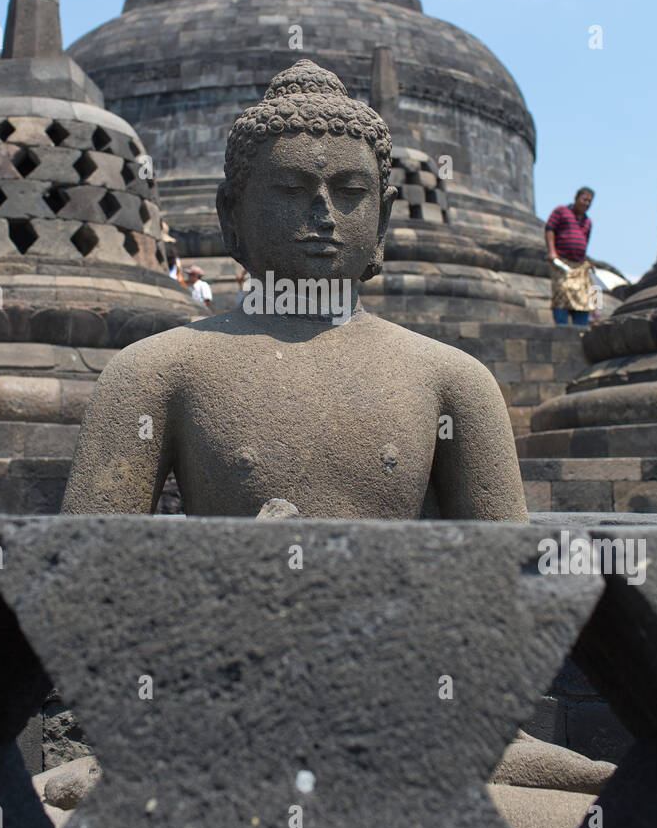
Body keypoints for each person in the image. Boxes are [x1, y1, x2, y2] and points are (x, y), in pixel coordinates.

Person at [62, 59, 527, 521]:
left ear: (382, 219)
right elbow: (84, 565)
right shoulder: (154, 374)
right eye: (289, 189)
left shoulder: (454, 382)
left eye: (349, 192)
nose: (323, 213)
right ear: (231, 214)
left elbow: (510, 576)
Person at [545, 188, 595, 325]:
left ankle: (581, 328)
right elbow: (549, 229)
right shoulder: (561, 212)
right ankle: (562, 328)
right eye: (584, 199)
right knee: (561, 296)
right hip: (561, 262)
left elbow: (585, 240)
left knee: (582, 300)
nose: (586, 203)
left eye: (590, 201)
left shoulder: (587, 222)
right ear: (576, 198)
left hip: (579, 265)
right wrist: (552, 251)